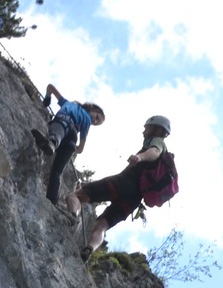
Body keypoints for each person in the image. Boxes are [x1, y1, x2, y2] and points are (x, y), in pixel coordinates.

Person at [75, 113, 176, 257]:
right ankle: (90, 249)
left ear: (157, 130)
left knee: (78, 195)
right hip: (133, 200)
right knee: (102, 225)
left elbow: (154, 152)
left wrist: (140, 157)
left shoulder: (157, 142)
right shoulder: (159, 163)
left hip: (124, 183)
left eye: (147, 128)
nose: (143, 132)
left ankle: (71, 216)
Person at [35, 84, 105, 207]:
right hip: (72, 140)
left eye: (97, 122)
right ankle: (52, 199)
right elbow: (82, 145)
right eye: (97, 118)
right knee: (57, 171)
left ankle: (52, 143)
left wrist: (47, 99)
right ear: (92, 109)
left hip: (63, 123)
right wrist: (76, 150)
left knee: (58, 132)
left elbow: (50, 87)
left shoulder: (68, 104)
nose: (94, 121)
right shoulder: (86, 119)